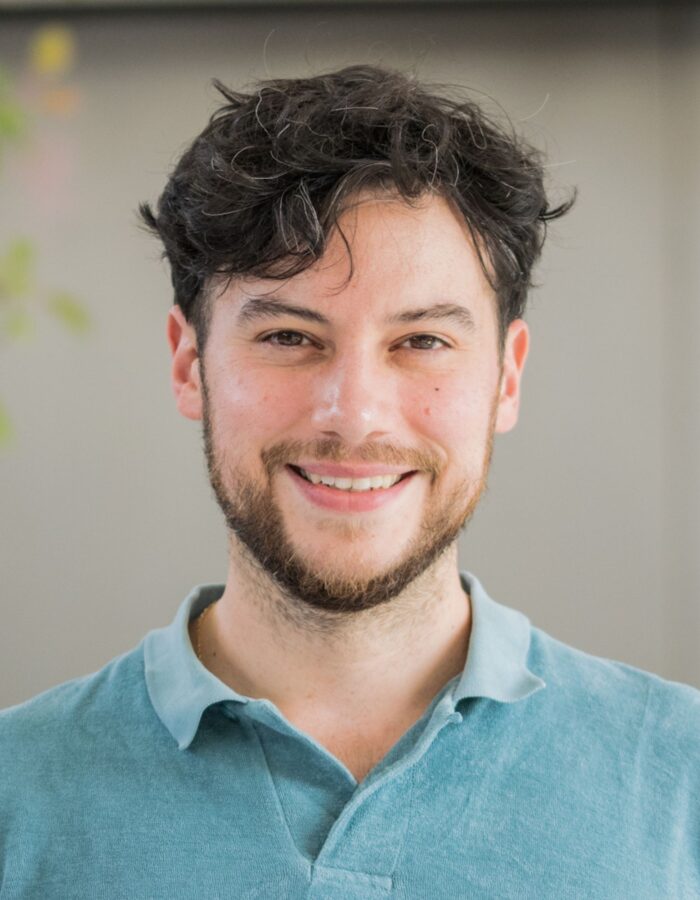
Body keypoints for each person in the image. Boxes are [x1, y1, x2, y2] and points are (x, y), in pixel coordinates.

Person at [1, 64, 698, 900]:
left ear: (506, 379)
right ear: (190, 364)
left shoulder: (681, 780)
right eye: (291, 336)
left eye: (423, 342)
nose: (356, 415)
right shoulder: (18, 796)